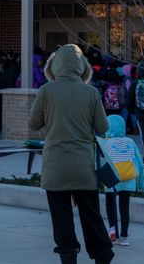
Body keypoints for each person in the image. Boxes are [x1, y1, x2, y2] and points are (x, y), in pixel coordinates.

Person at [28, 44, 113, 264]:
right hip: (84, 166)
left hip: (55, 166)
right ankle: (102, 256)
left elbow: (34, 123)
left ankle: (68, 257)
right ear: (81, 67)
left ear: (54, 66)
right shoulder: (91, 92)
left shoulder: (47, 91)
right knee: (91, 217)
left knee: (61, 219)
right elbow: (103, 127)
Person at [101, 114, 144, 247]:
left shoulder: (105, 143)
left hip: (111, 179)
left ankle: (112, 230)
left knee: (110, 204)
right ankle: (124, 236)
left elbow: (101, 163)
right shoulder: (130, 142)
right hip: (128, 179)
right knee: (124, 207)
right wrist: (142, 185)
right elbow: (139, 163)